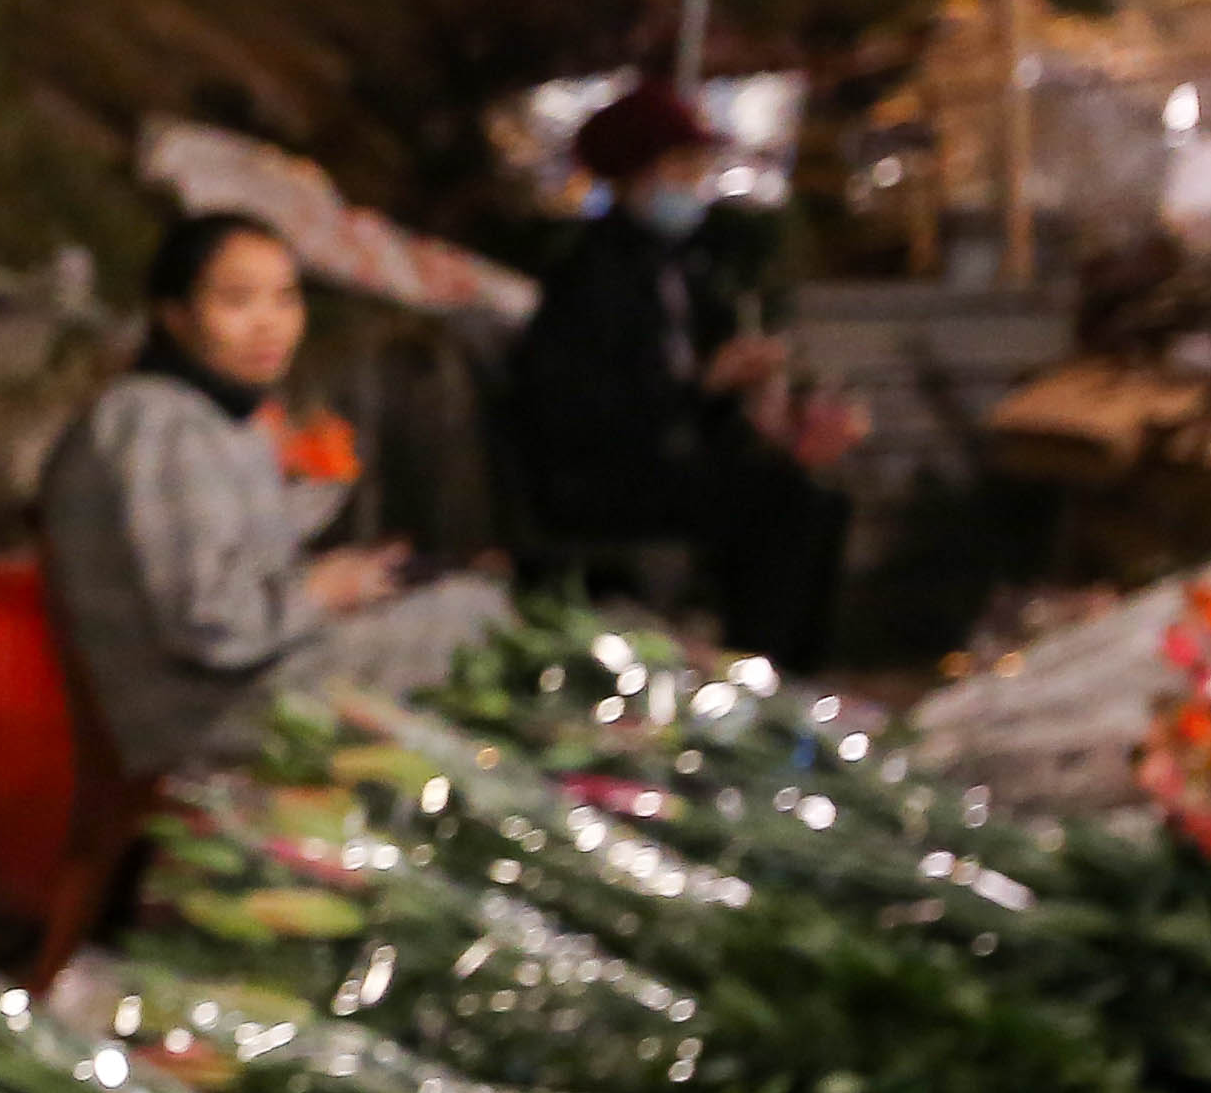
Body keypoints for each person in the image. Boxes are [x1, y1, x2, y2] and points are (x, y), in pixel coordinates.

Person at [42, 209, 514, 781]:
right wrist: (325, 588)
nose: (270, 324)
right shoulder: (161, 425)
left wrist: (340, 546)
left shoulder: (219, 416)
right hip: (200, 712)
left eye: (285, 300)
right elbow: (210, 625)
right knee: (473, 622)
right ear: (174, 316)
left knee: (465, 599)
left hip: (243, 678)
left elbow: (243, 555)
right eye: (238, 302)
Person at [497, 85, 864, 668]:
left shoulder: (683, 263)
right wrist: (700, 387)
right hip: (601, 481)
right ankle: (757, 668)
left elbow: (695, 385)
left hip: (666, 463)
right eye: (680, 166)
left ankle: (791, 669)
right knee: (783, 502)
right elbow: (581, 412)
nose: (694, 181)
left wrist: (774, 403)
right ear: (635, 173)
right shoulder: (589, 273)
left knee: (812, 494)